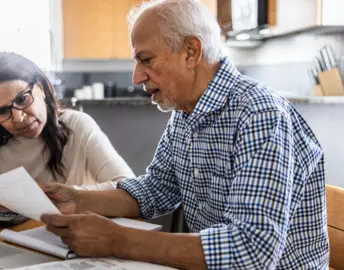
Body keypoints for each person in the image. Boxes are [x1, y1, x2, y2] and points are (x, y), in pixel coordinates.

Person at [40, 0, 330, 269]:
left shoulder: (259, 114)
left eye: (146, 59)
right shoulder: (185, 110)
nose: (136, 77)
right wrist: (77, 200)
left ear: (191, 52)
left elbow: (252, 251)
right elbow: (158, 188)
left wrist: (118, 239)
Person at [0, 52, 135, 233]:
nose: (19, 117)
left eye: (22, 99)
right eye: (3, 111)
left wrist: (73, 195)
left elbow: (128, 187)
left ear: (40, 87)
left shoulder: (77, 126)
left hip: (62, 244)